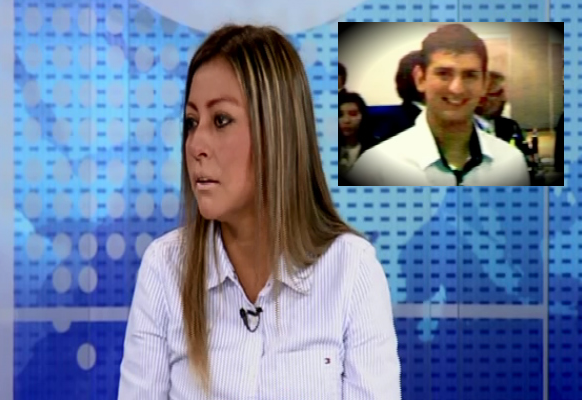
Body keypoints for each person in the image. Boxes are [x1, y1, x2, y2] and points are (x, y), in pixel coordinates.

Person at [118, 24, 401, 399]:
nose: (196, 144)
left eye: (221, 120)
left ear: (276, 131)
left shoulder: (352, 270)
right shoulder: (165, 268)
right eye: (191, 122)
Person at [344, 24, 530, 186]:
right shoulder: (377, 166)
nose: (456, 88)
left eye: (470, 75)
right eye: (443, 74)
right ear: (420, 79)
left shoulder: (510, 162)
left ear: (484, 84)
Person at [338, 91, 372, 184]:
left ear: (363, 116)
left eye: (352, 114)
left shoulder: (374, 150)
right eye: (340, 115)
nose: (346, 120)